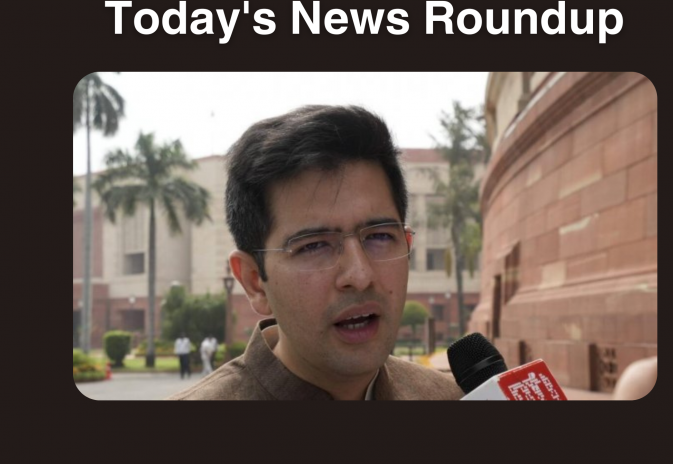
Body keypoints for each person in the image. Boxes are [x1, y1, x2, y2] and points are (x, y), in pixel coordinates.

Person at [169, 106, 463, 400]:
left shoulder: (448, 397)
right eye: (314, 246)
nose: (360, 276)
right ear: (254, 280)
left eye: (380, 236)